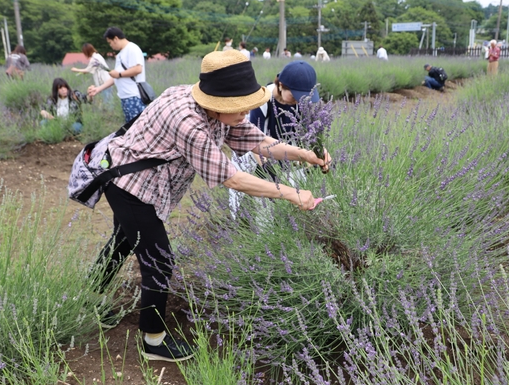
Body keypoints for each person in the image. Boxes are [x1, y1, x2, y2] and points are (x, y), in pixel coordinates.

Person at [92, 50, 331, 362]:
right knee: (159, 259)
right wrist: (291, 193)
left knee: (124, 239)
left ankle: (90, 297)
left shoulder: (217, 108)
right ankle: (153, 341)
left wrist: (305, 154)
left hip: (139, 175)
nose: (244, 113)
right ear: (216, 104)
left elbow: (258, 141)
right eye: (237, 108)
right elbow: (232, 178)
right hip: (129, 185)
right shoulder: (189, 123)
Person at [228, 60, 321, 218]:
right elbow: (253, 142)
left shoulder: (299, 103)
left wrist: (317, 153)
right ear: (281, 85)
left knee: (296, 193)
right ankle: (242, 228)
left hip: (282, 154)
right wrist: (271, 173)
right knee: (260, 204)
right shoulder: (262, 99)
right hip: (253, 155)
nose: (298, 100)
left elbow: (306, 133)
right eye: (295, 95)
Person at [87, 27, 146, 122]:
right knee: (130, 128)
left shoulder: (132, 48)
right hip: (125, 97)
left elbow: (138, 69)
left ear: (116, 38)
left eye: (110, 42)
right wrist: (98, 89)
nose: (111, 46)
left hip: (134, 96)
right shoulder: (120, 54)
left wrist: (119, 74)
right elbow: (115, 77)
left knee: (137, 128)